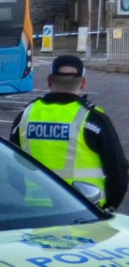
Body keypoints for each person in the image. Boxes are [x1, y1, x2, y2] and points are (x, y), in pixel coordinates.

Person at [10, 55, 129, 210]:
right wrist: (109, 207)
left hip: (36, 211)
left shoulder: (25, 116)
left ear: (49, 80)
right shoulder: (93, 120)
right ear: (83, 82)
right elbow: (118, 172)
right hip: (85, 211)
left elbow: (12, 169)